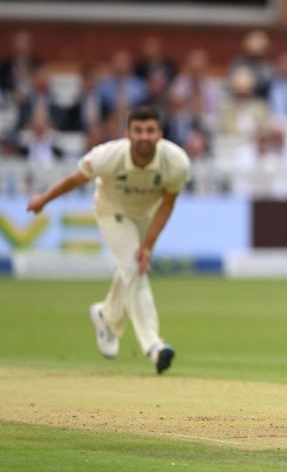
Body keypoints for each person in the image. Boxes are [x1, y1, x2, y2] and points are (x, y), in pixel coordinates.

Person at [27, 106, 190, 374]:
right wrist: (43, 200)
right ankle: (154, 346)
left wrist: (147, 244)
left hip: (145, 216)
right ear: (128, 133)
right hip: (111, 211)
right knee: (133, 268)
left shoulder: (176, 162)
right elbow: (74, 179)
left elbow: (167, 205)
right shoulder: (109, 155)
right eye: (138, 131)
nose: (144, 137)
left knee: (130, 269)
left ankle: (107, 314)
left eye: (150, 130)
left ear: (160, 133)